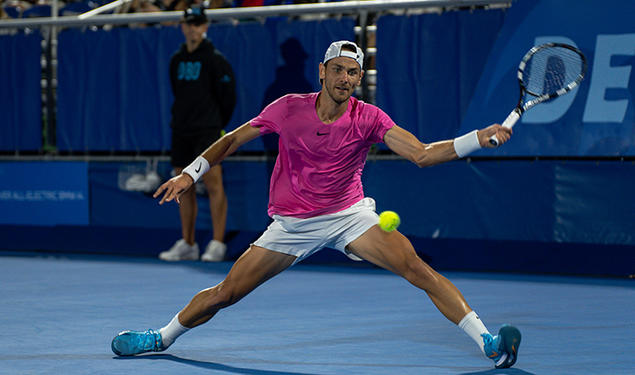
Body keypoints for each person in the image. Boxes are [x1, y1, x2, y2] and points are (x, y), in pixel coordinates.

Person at [112, 40, 521, 369]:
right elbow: (233, 140)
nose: (345, 78)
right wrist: (191, 173)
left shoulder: (370, 117)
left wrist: (476, 139)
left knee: (418, 269)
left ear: (360, 78)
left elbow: (422, 154)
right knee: (226, 294)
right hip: (291, 224)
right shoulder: (288, 108)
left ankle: (488, 342)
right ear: (322, 71)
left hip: (349, 216)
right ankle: (162, 337)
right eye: (338, 69)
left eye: (353, 72)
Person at [158, 5, 236, 262]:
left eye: (197, 24)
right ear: (183, 26)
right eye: (188, 23)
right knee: (183, 187)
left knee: (214, 185)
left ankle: (217, 243)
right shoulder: (176, 60)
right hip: (181, 130)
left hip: (208, 131)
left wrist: (215, 125)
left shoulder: (216, 60)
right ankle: (188, 244)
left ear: (204, 27)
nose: (192, 28)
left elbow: (228, 99)